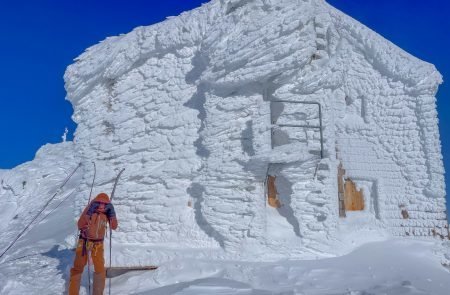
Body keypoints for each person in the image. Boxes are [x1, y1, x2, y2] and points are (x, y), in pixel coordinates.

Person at [68, 192, 118, 295]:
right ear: (96, 202)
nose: (101, 207)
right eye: (100, 204)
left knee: (95, 268)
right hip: (85, 241)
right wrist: (88, 214)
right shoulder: (90, 209)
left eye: (104, 205)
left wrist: (112, 216)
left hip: (96, 243)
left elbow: (114, 226)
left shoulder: (107, 212)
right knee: (80, 267)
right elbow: (80, 224)